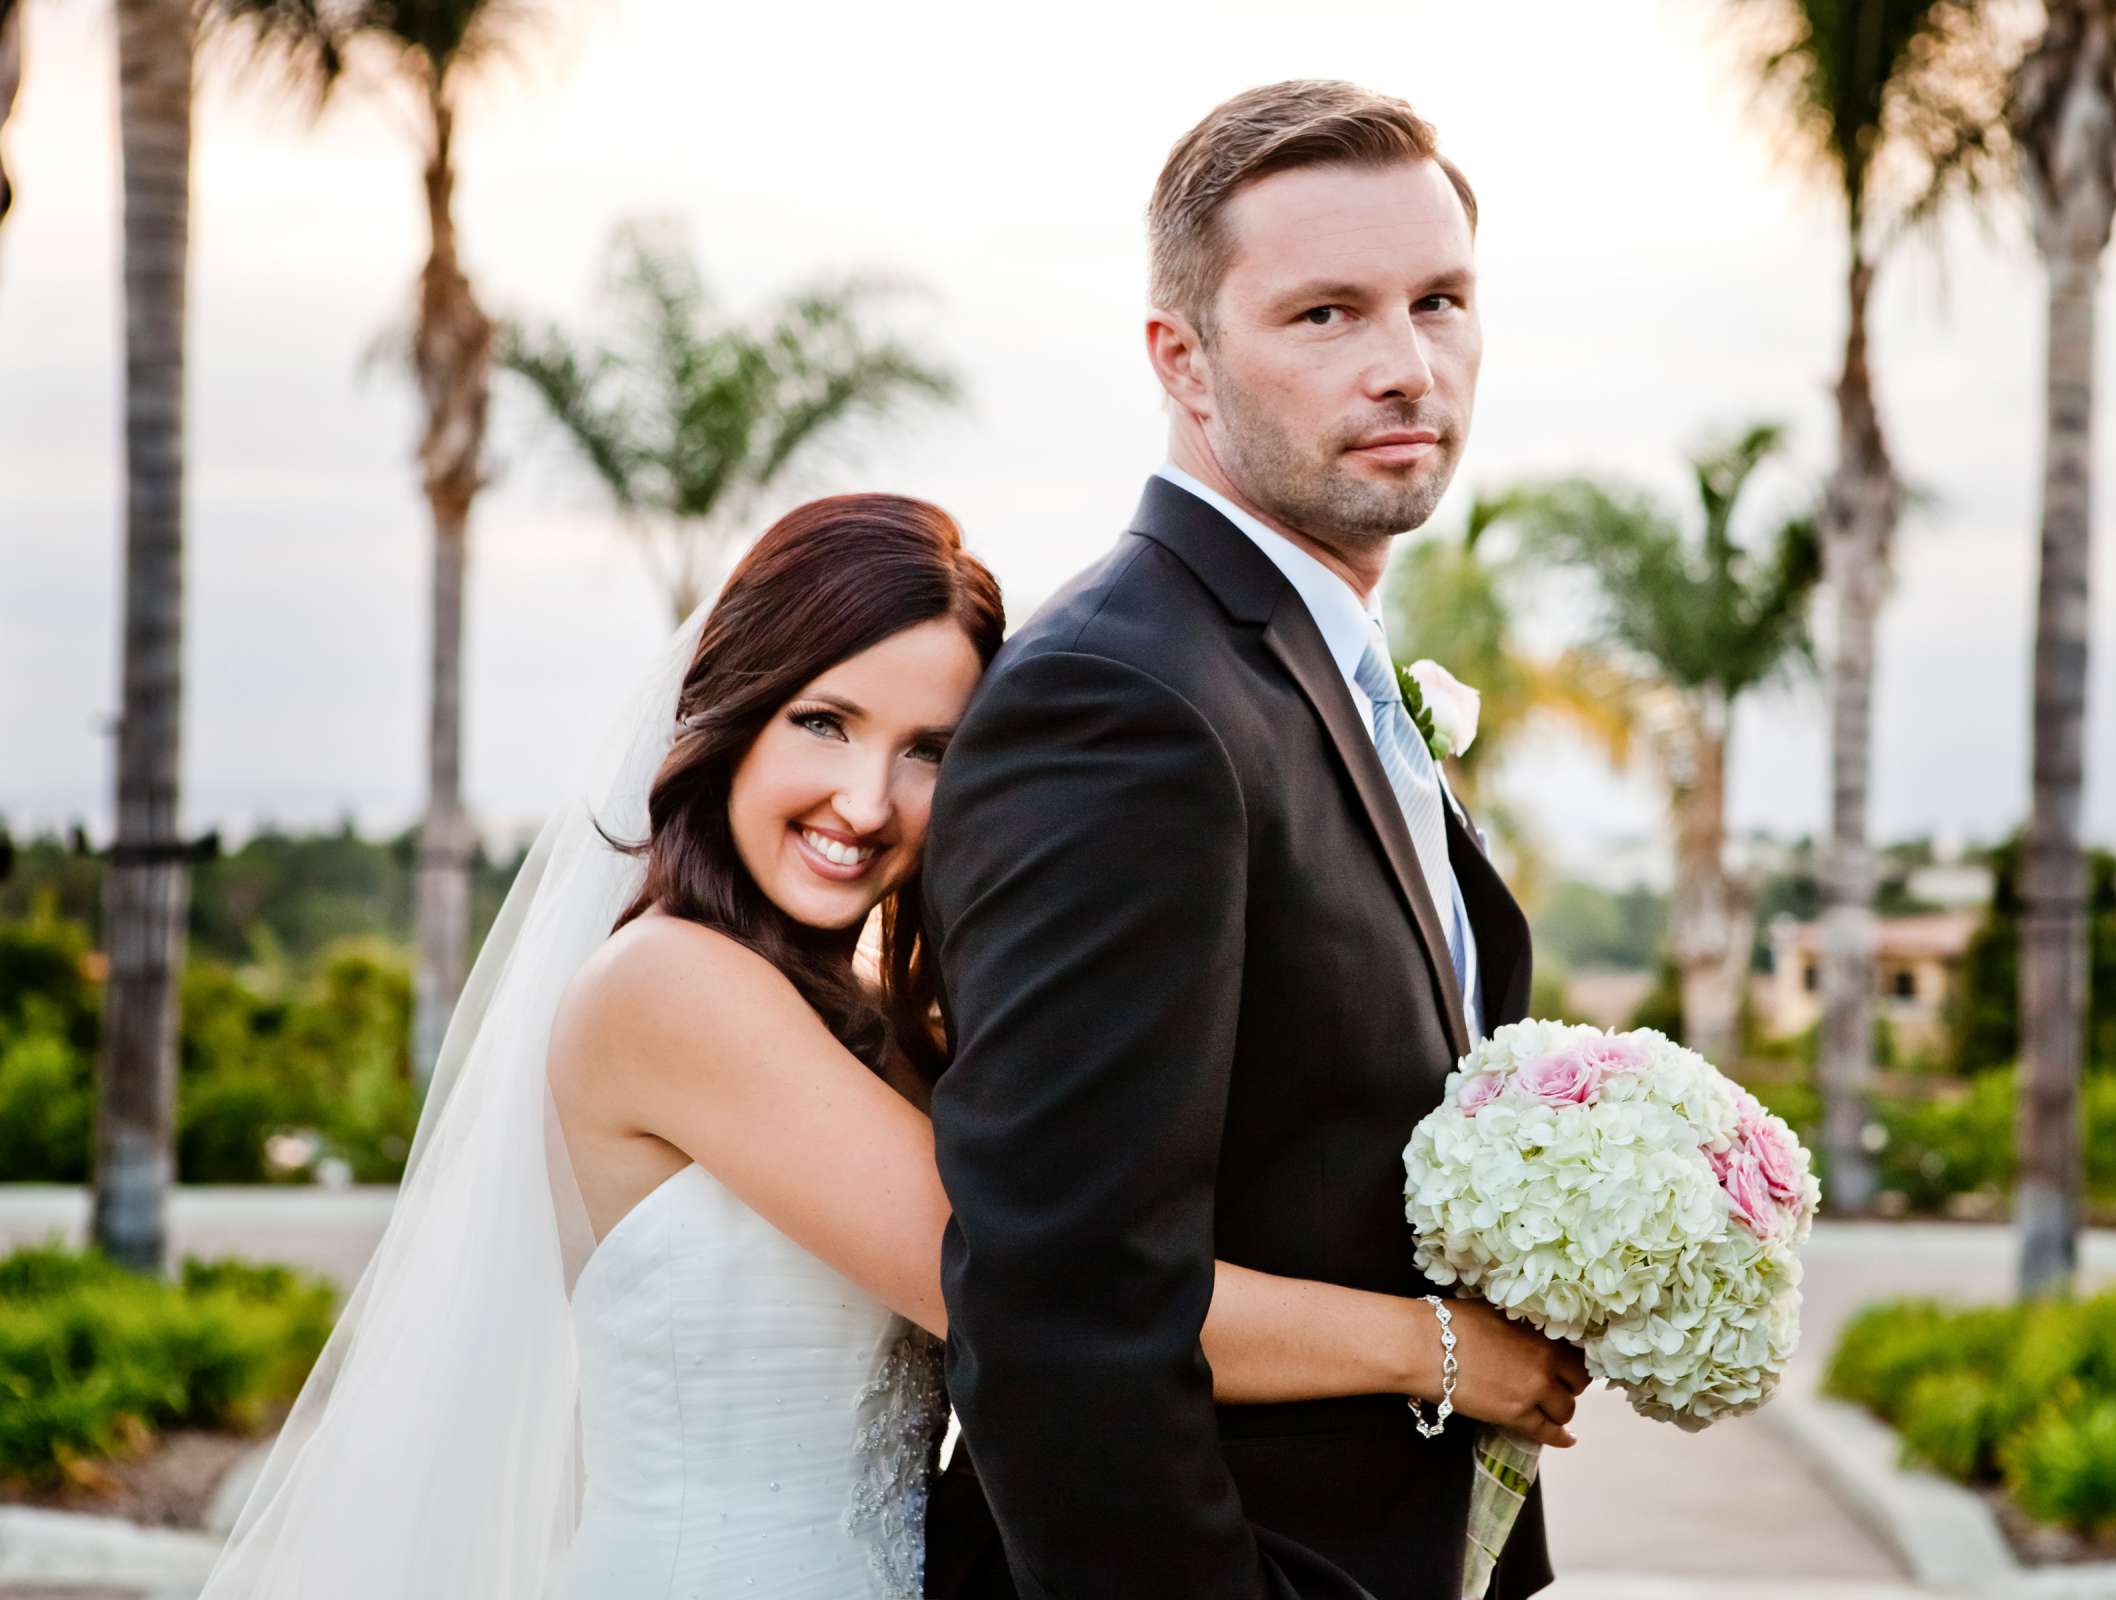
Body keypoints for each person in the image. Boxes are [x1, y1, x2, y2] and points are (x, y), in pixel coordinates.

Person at [194, 494, 1582, 1600]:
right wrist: (1435, 1350)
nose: (866, 798)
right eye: (823, 722)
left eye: (931, 749)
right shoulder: (671, 991)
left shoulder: (879, 1017)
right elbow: (1051, 1293)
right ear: (729, 718)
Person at [924, 80, 1558, 1600]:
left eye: (1441, 301)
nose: (1409, 366)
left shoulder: (1310, 665)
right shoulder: (1122, 698)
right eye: (1327, 315)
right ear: (1182, 361)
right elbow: (1063, 1311)